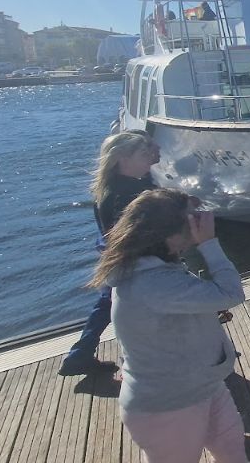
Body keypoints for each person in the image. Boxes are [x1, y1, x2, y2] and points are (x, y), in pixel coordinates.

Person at [92, 189, 247, 463]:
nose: (197, 224)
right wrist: (209, 243)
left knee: (232, 452)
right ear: (168, 236)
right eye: (191, 221)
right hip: (168, 405)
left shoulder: (149, 267)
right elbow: (231, 293)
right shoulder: (152, 283)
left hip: (203, 384)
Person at [59, 131, 160, 377]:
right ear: (121, 158)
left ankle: (80, 354)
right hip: (134, 259)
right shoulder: (125, 194)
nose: (150, 157)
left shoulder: (116, 186)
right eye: (143, 153)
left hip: (114, 254)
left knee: (106, 302)